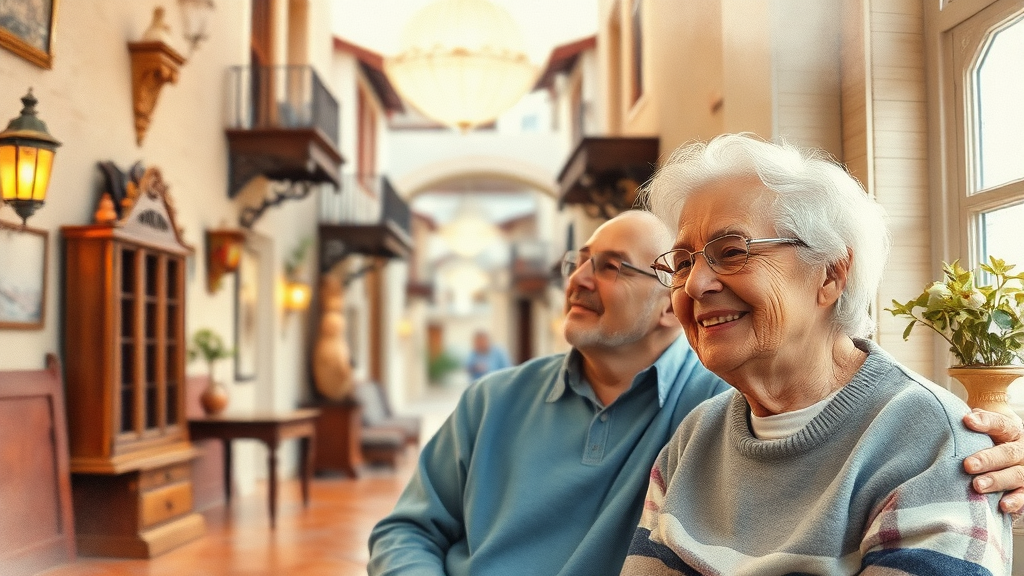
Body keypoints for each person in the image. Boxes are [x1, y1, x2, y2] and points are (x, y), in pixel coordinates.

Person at [368, 208, 1024, 576]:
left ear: (666, 307)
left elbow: (844, 395)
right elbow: (407, 530)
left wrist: (992, 433)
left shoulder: (722, 408)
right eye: (578, 262)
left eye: (611, 267)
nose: (579, 279)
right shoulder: (493, 400)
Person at [622, 133, 1014, 574]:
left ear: (830, 274)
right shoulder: (694, 439)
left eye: (731, 252)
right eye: (683, 262)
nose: (694, 285)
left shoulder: (933, 445)